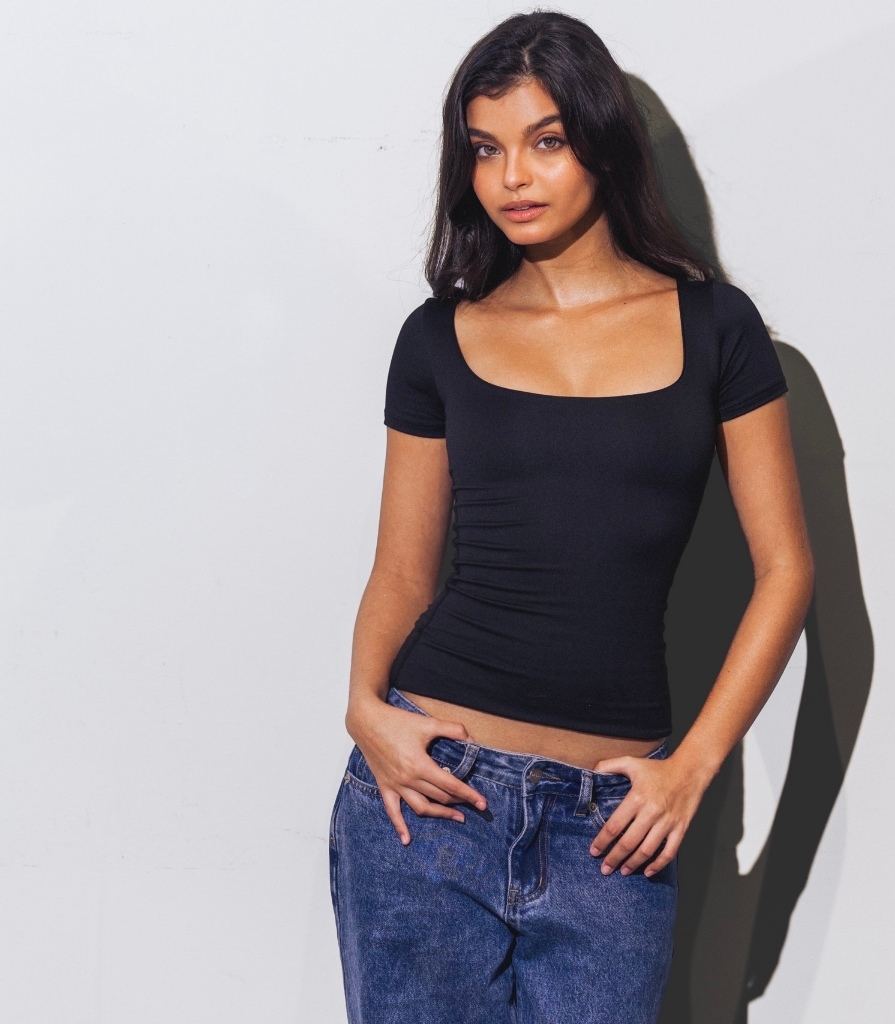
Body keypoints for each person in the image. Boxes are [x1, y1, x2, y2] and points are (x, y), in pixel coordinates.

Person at [328, 10, 814, 1024]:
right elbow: (403, 571)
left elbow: (785, 571)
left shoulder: (716, 328)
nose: (511, 176)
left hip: (614, 825)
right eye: (485, 148)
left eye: (544, 140)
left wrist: (693, 768)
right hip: (430, 797)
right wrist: (365, 707)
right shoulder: (439, 337)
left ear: (600, 139)